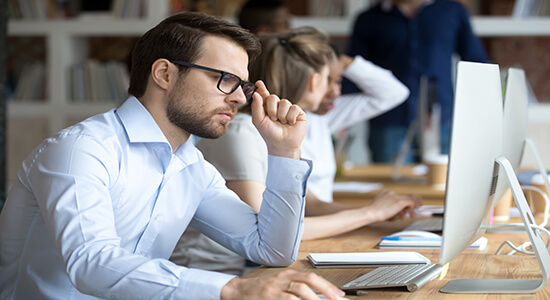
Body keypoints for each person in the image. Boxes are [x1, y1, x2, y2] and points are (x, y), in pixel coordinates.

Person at [0, 12, 346, 300]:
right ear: (164, 74)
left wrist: (284, 151)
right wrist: (233, 289)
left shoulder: (192, 167)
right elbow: (90, 262)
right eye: (224, 79)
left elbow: (272, 249)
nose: (240, 99)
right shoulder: (81, 149)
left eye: (242, 85)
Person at [171, 26, 421, 276]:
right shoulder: (240, 133)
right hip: (221, 273)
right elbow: (266, 230)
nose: (334, 89)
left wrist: (379, 213)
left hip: (252, 267)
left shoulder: (274, 129)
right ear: (314, 81)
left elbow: (309, 203)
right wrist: (369, 213)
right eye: (329, 78)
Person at [345, 0, 488, 163]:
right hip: (388, 120)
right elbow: (353, 70)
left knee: (443, 184)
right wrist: (342, 119)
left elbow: (476, 62)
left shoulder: (452, 11)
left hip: (440, 120)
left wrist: (481, 111)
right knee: (391, 185)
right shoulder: (369, 19)